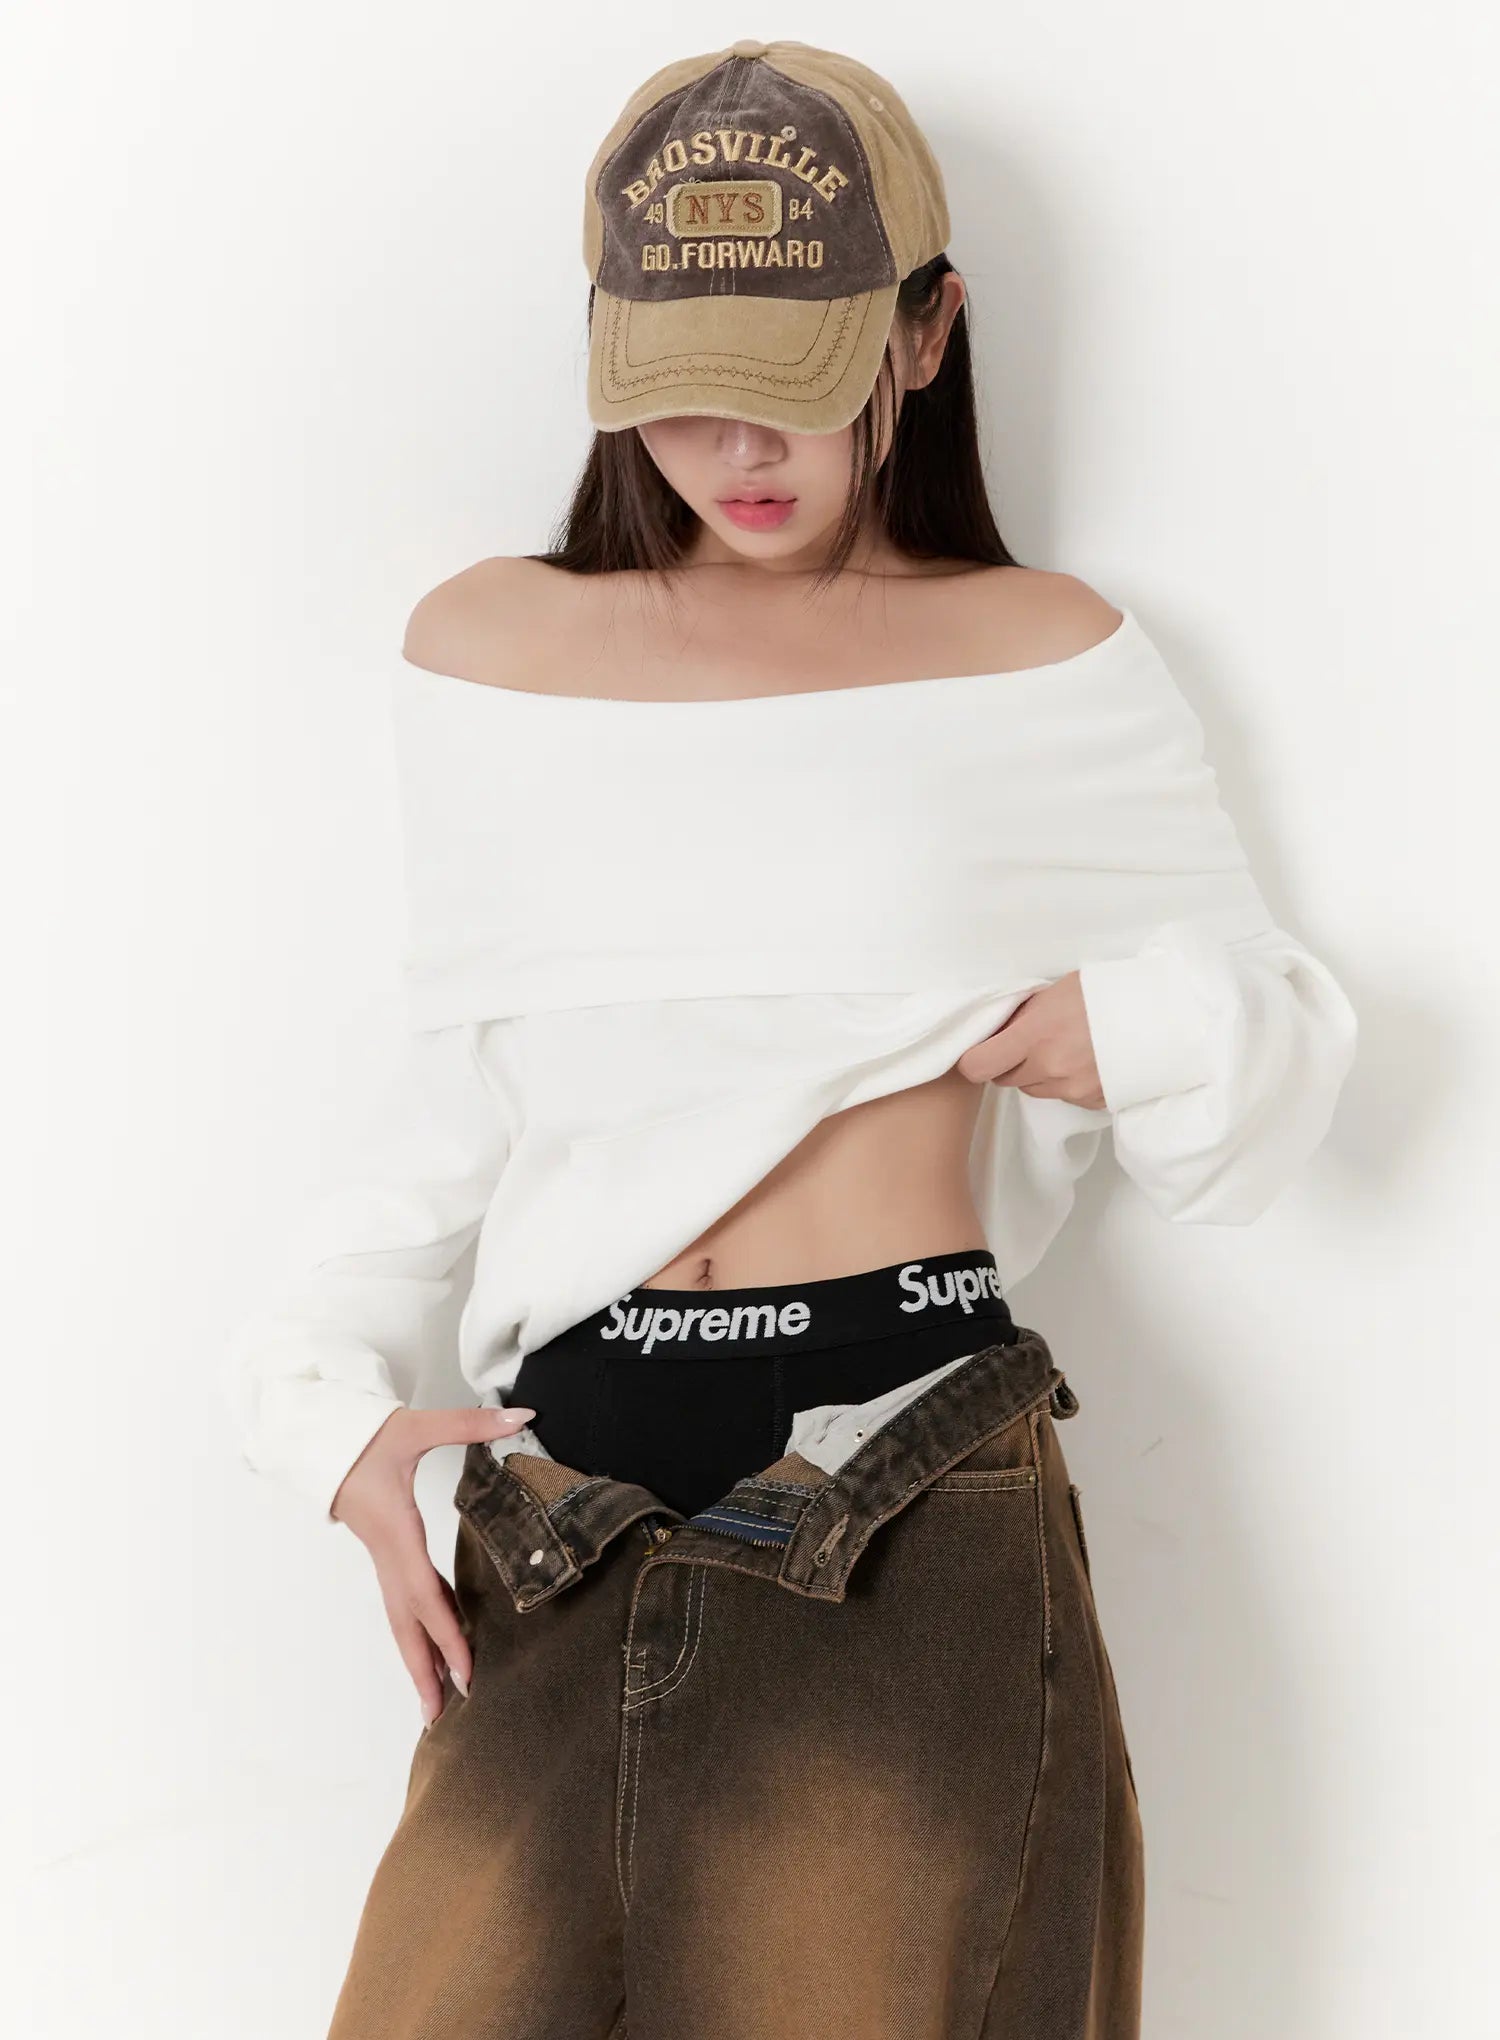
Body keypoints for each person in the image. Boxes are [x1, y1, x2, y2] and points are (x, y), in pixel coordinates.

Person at [221, 38, 1358, 2040]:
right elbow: (464, 1064)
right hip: (561, 1501)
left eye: (799, 374)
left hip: (902, 1468)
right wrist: (323, 1414)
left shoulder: (1044, 656)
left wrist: (1136, 1023)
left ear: (926, 332)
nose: (738, 444)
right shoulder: (488, 656)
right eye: (682, 384)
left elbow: (1267, 1076)